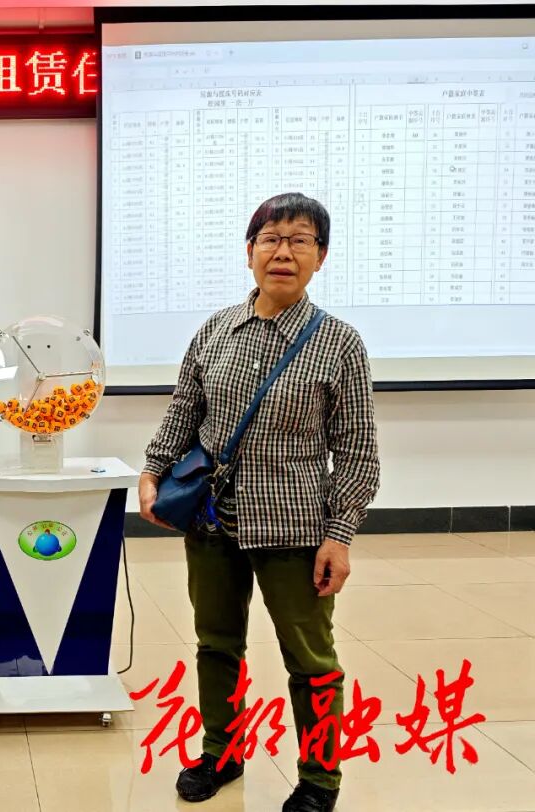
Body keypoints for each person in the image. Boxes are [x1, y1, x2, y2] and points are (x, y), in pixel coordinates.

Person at [138, 192, 380, 812]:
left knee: (311, 661)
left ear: (321, 256)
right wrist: (153, 469)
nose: (283, 252)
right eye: (271, 239)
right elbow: (185, 411)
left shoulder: (340, 343)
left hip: (296, 528)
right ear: (249, 252)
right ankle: (221, 752)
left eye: (300, 240)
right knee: (217, 645)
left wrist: (340, 536)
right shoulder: (216, 329)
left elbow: (357, 450)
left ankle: (320, 779)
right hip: (213, 522)